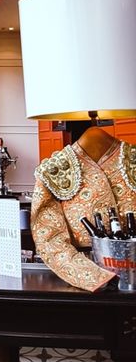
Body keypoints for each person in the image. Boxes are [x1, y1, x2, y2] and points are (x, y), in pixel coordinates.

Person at [30, 125, 134, 292]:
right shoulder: (54, 170)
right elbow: (49, 239)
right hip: (84, 286)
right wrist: (92, 275)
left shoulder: (131, 158)